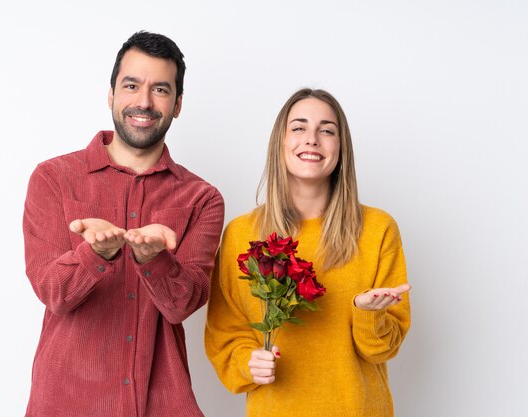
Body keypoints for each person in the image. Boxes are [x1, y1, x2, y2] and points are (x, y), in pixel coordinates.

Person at [23, 31, 224, 417]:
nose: (144, 102)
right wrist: (95, 253)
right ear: (111, 94)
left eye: (160, 89)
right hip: (67, 403)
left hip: (163, 404)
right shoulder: (53, 178)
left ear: (178, 104)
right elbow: (53, 292)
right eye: (132, 85)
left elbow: (183, 304)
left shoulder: (202, 198)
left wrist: (155, 261)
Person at [204, 88, 410, 417]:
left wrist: (368, 312)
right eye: (299, 128)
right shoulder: (241, 234)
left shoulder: (377, 230)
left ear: (341, 148)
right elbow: (225, 334)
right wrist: (248, 362)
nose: (312, 139)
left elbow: (382, 349)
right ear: (280, 143)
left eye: (327, 130)